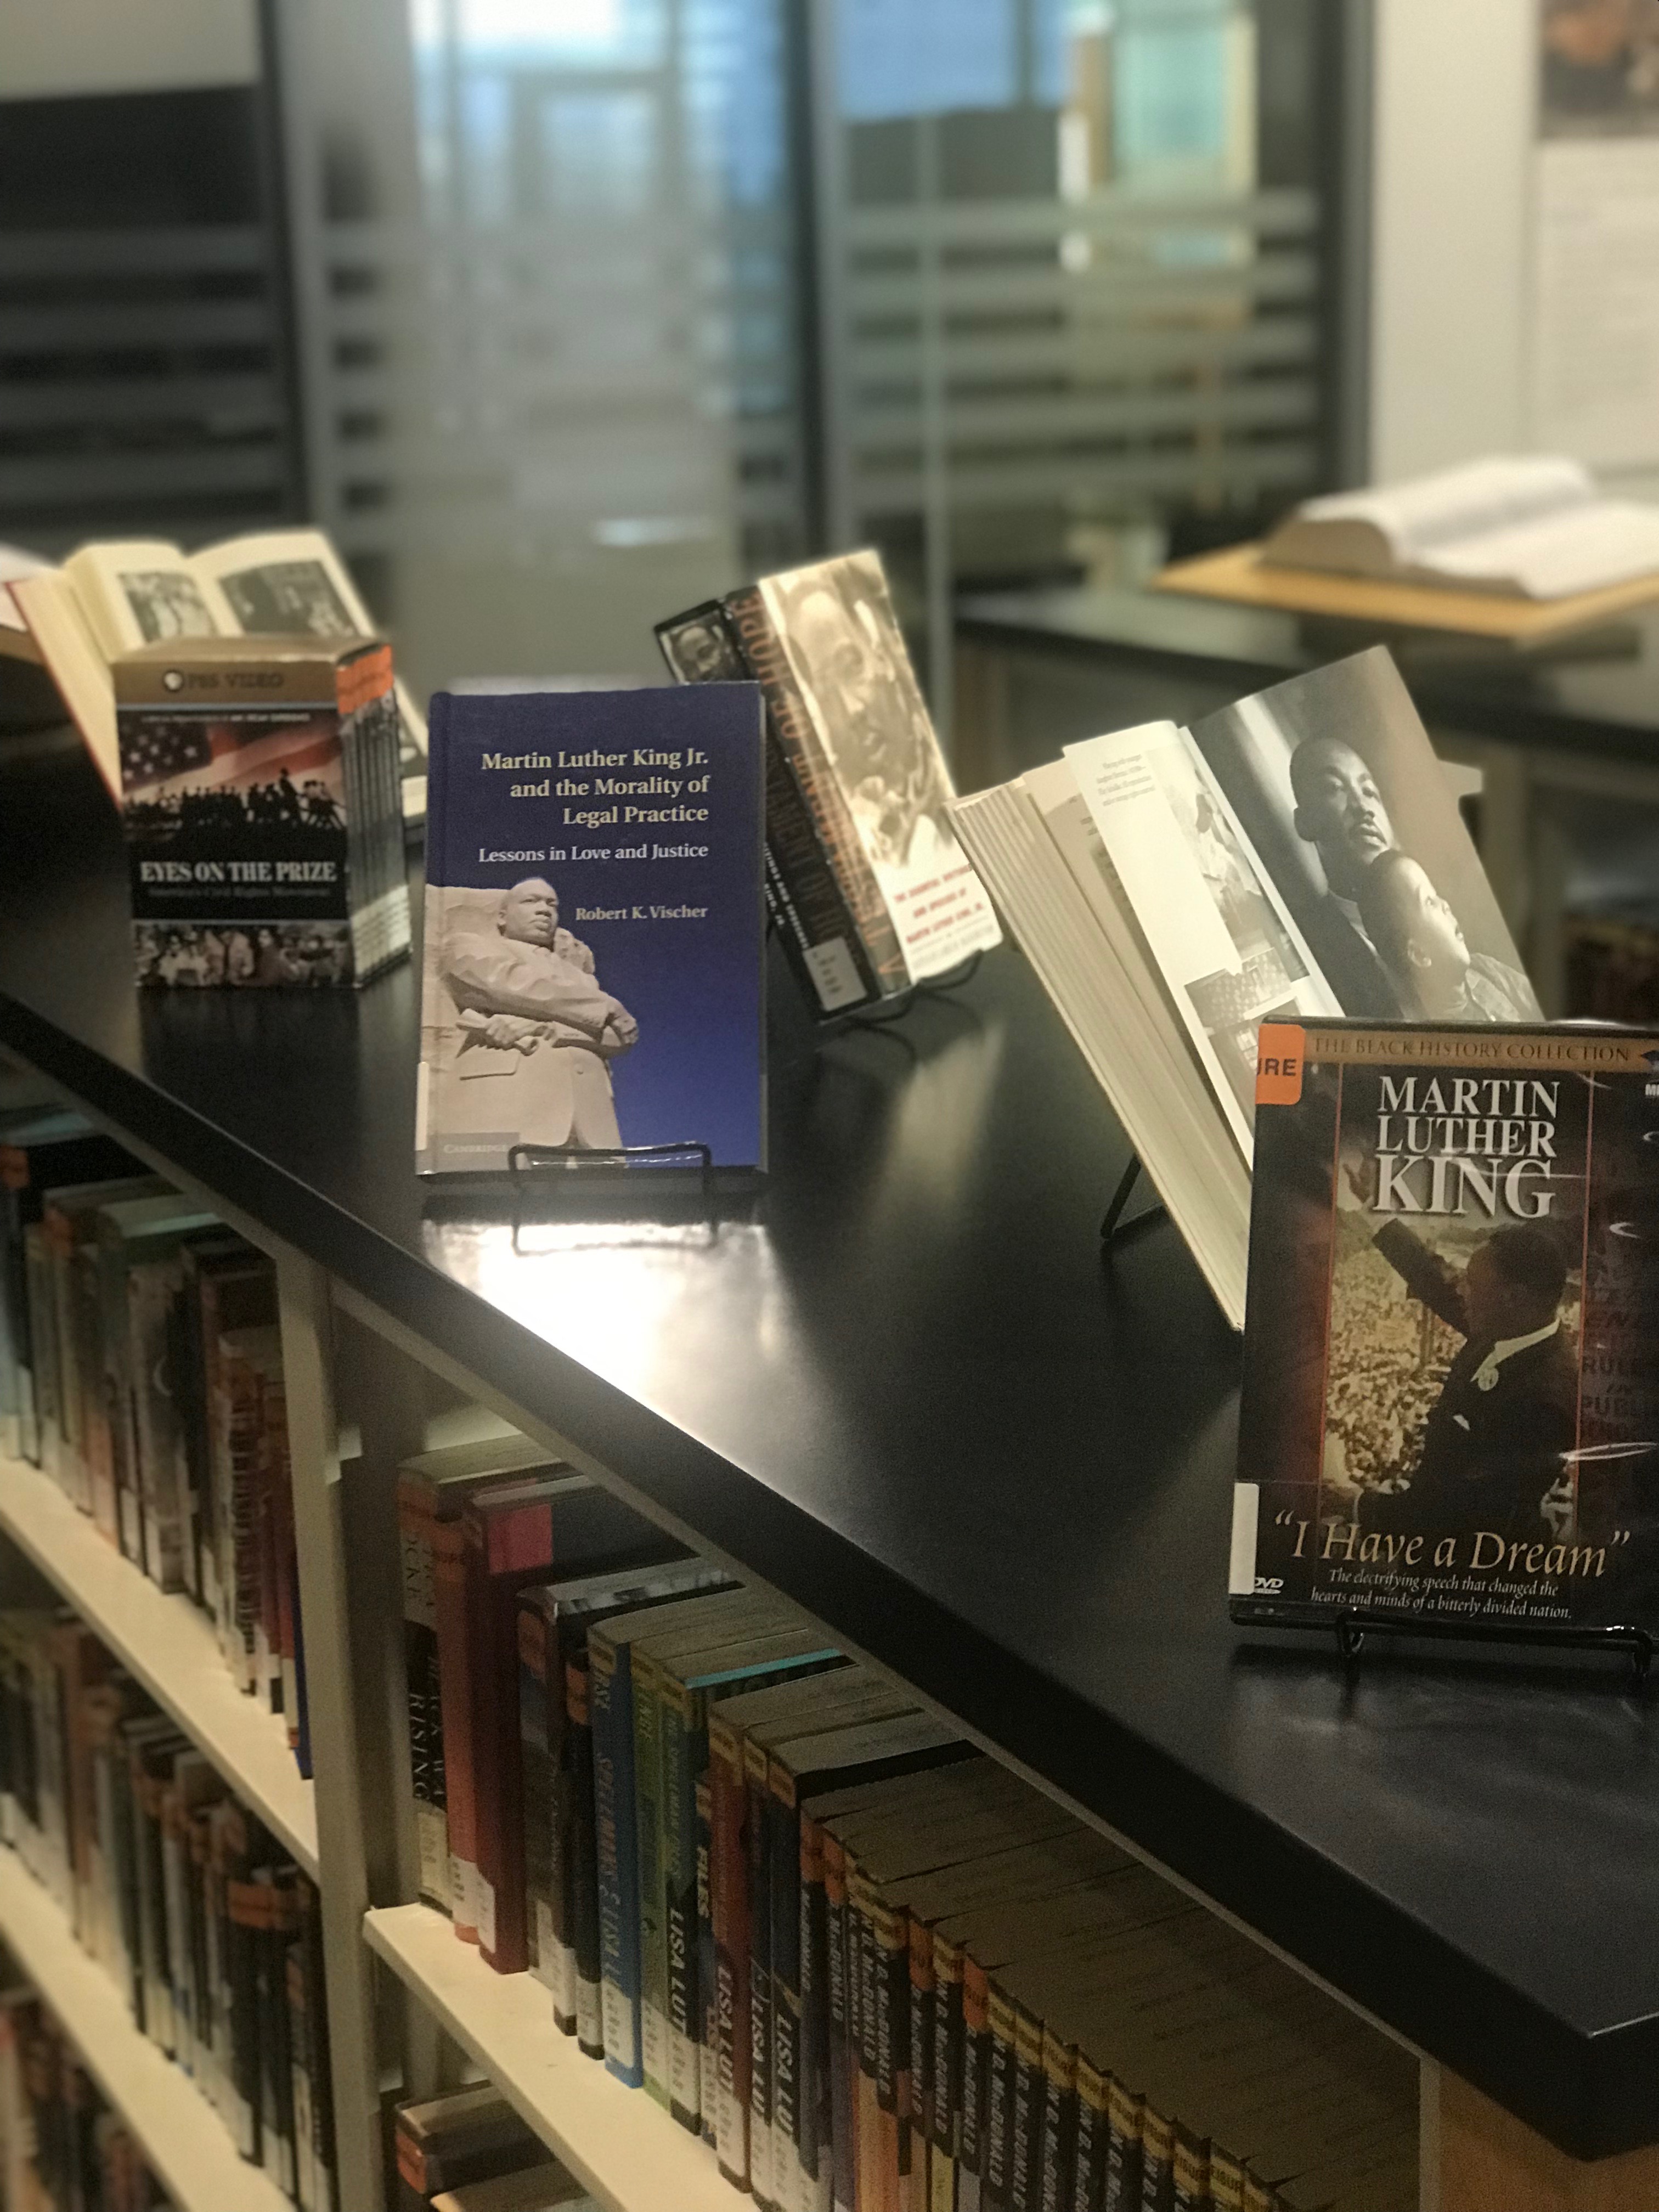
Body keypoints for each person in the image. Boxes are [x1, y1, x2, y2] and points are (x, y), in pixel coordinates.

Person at [1336, 1184, 1578, 1544]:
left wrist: (1358, 1506)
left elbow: (1460, 1514)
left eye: (1471, 1284)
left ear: (1513, 1297)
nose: (1460, 1290)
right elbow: (1435, 1280)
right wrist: (1375, 1205)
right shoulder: (1508, 1324)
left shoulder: (1546, 1403)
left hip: (1470, 1563)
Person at [435, 877, 639, 1152]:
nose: (544, 910)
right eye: (531, 901)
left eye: (552, 904)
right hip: (505, 1104)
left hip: (593, 1119)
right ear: (502, 917)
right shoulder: (469, 946)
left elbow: (622, 1036)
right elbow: (506, 983)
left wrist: (545, 1028)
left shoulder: (582, 978)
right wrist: (604, 1005)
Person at [1286, 736, 1403, 1015]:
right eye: (1334, 788)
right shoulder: (1308, 946)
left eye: (1369, 791)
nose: (1363, 808)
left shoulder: (1451, 932)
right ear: (1305, 823)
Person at [1355, 849, 1536, 1022]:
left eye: (1437, 894)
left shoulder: (1484, 969)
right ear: (1420, 954)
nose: (1445, 905)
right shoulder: (1433, 1030)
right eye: (1429, 901)